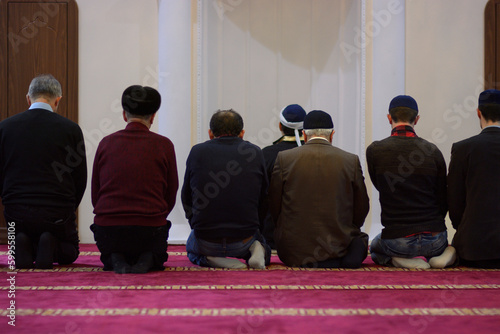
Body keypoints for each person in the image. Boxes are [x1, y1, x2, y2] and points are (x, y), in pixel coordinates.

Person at [0, 74, 87, 269]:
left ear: (28, 98)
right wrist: (68, 208)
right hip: (56, 214)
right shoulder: (71, 130)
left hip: (16, 212)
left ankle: (22, 245)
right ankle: (51, 245)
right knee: (71, 250)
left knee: (20, 233)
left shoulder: (4, 128)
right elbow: (80, 179)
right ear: (58, 100)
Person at [91, 85, 178, 274]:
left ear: (124, 114)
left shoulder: (106, 143)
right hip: (150, 230)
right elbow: (171, 194)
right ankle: (148, 257)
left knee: (112, 245)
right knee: (155, 248)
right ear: (153, 116)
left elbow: (95, 195)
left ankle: (115, 257)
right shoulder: (164, 145)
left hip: (109, 231)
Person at [269, 110, 369, 268]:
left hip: (293, 254)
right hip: (338, 249)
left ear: (304, 134)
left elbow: (274, 205)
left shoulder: (284, 158)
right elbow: (362, 207)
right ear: (332, 134)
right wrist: (349, 228)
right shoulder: (350, 160)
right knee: (360, 240)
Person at [366, 95, 456, 269]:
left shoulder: (375, 150)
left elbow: (381, 186)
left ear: (389, 118)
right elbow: (443, 197)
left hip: (397, 241)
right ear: (417, 119)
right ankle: (441, 256)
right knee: (440, 246)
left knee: (376, 247)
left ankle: (395, 259)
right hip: (435, 240)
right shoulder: (432, 151)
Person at [181, 109, 271, 269]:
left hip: (206, 240)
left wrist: (196, 225)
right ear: (242, 133)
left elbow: (186, 196)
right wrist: (255, 229)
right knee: (266, 248)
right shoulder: (254, 152)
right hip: (244, 239)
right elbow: (265, 197)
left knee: (192, 250)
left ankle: (211, 259)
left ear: (210, 133)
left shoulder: (197, 152)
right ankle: (256, 250)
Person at [448, 89, 500, 269]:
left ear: (478, 112)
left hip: (474, 249)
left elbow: (454, 201)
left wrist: (462, 228)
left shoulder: (463, 149)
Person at [261, 104, 306, 249]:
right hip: (306, 234)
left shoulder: (266, 154)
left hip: (271, 234)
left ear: (280, 126)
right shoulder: (314, 153)